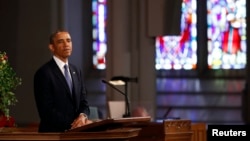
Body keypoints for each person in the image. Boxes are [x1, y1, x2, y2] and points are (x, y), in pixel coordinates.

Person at [34, 30, 92, 132]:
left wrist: (83, 117)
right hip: (54, 134)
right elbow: (46, 110)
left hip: (77, 133)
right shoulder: (44, 73)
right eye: (61, 41)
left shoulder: (76, 71)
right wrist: (74, 124)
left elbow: (84, 102)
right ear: (52, 47)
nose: (66, 44)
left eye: (68, 41)